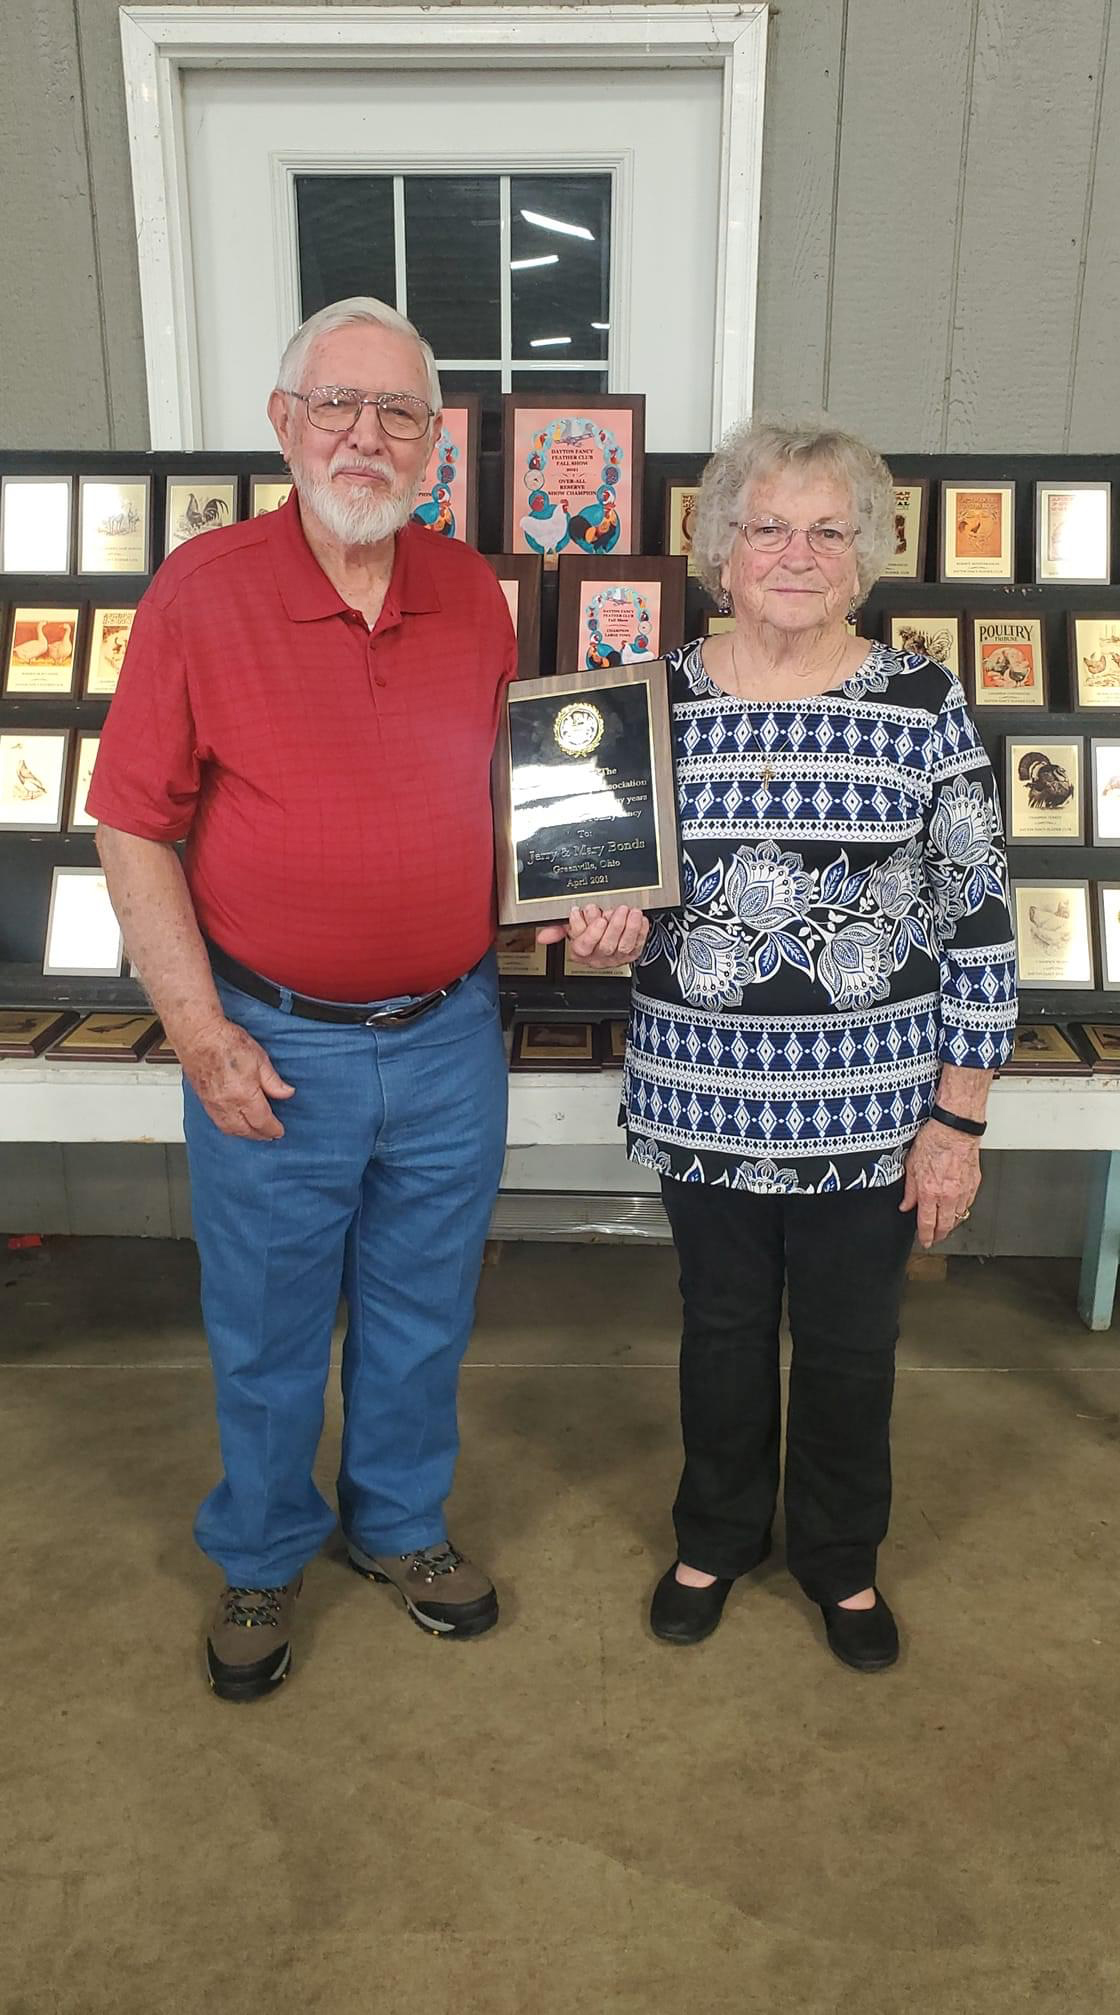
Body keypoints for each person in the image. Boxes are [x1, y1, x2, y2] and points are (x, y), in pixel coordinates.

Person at [88, 297, 519, 1701]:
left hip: (451, 1032)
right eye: (338, 404)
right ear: (284, 423)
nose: (367, 435)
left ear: (436, 442)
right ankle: (264, 1550)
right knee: (269, 1323)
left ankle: (396, 1524)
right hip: (267, 1038)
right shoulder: (200, 592)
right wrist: (199, 1028)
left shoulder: (474, 594)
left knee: (421, 1308)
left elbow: (533, 809)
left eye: (400, 412)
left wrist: (599, 884)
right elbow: (132, 823)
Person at [545, 419, 1016, 1672]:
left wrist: (957, 1118)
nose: (795, 553)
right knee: (719, 1331)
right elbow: (618, 901)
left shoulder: (920, 701)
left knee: (855, 1347)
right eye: (768, 526)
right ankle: (713, 1536)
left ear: (864, 556)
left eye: (827, 530)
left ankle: (840, 1559)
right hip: (702, 1103)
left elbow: (977, 916)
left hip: (873, 1117)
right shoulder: (649, 700)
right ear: (721, 547)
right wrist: (598, 930)